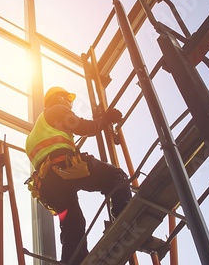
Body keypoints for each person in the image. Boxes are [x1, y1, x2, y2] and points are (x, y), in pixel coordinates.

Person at [25, 86, 132, 264]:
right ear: (57, 98)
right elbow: (84, 127)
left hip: (48, 186)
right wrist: (104, 119)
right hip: (65, 167)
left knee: (73, 224)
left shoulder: (31, 137)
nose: (70, 104)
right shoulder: (56, 110)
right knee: (116, 177)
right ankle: (124, 222)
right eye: (67, 99)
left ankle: (74, 261)